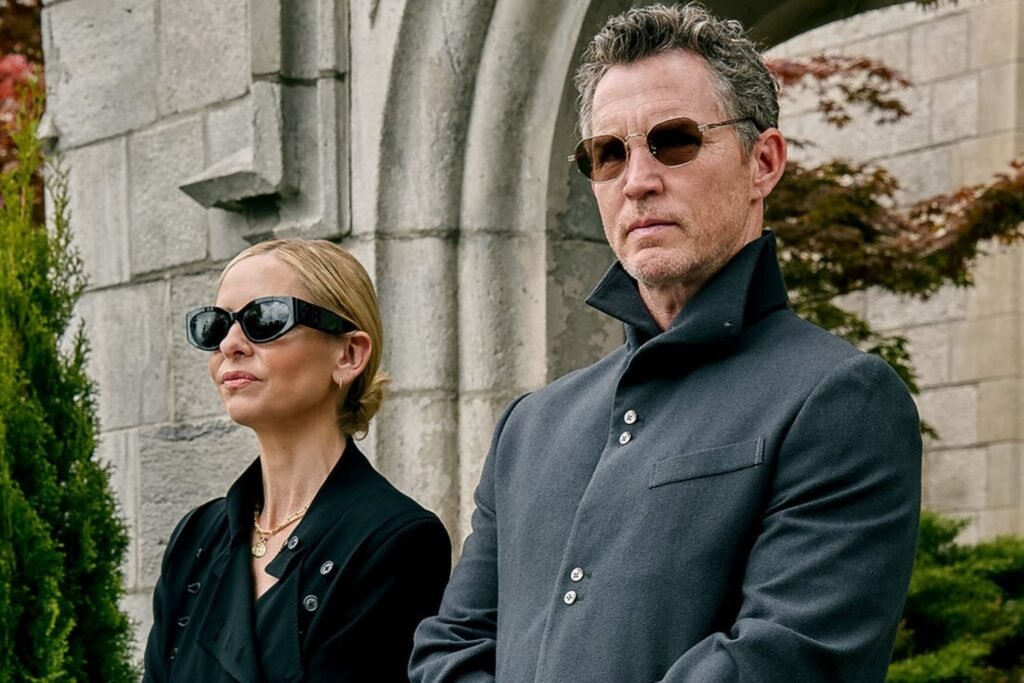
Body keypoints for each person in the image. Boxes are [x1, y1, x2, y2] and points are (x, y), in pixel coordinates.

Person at [410, 4, 921, 682]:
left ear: (763, 162)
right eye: (608, 154)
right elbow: (449, 649)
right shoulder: (530, 427)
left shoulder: (841, 399)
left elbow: (782, 659)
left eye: (674, 141)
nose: (637, 180)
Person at [144, 239, 451, 681]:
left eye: (264, 319)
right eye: (216, 326)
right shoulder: (196, 537)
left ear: (349, 354)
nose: (230, 344)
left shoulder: (397, 541)